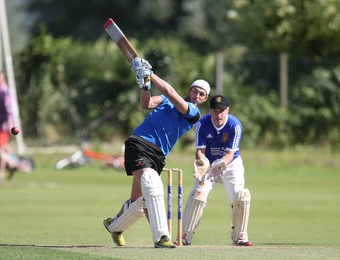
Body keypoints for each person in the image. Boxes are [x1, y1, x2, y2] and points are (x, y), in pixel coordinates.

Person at [103, 57, 210, 248]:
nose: (197, 95)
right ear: (190, 90)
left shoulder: (194, 113)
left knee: (139, 202)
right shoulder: (166, 101)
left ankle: (113, 226)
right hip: (139, 143)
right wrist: (145, 86)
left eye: (201, 94)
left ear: (204, 99)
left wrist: (148, 73)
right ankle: (162, 237)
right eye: (195, 91)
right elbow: (147, 103)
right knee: (152, 184)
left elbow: (169, 90)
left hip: (158, 155)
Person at [180, 95, 253, 246]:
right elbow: (200, 151)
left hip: (231, 165)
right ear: (210, 110)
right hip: (208, 164)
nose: (218, 115)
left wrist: (221, 163)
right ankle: (185, 235)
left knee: (242, 196)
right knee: (198, 195)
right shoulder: (202, 123)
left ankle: (240, 235)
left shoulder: (234, 125)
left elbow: (229, 154)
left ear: (227, 110)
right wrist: (202, 163)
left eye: (222, 111)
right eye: (215, 111)